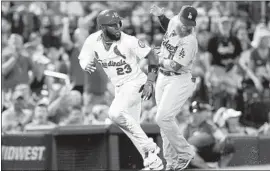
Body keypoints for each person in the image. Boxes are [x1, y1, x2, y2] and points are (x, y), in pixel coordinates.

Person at [78, 9, 163, 170]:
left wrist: (150, 81)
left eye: (119, 24)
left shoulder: (129, 41)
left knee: (115, 114)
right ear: (102, 28)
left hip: (136, 82)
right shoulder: (92, 40)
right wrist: (85, 64)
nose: (117, 28)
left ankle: (150, 147)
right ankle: (154, 162)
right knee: (132, 127)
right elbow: (83, 57)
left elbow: (152, 56)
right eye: (112, 25)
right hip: (120, 87)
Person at [150, 5, 198, 170]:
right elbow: (168, 24)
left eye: (189, 24)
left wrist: (158, 58)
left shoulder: (190, 41)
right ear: (180, 18)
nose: (186, 26)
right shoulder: (175, 22)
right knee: (165, 123)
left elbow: (175, 65)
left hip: (179, 79)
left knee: (162, 118)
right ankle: (171, 163)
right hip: (162, 78)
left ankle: (185, 153)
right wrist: (160, 15)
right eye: (184, 22)